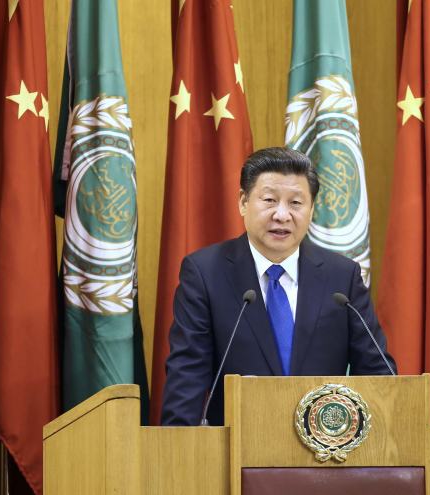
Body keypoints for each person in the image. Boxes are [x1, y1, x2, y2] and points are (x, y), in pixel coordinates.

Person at [161, 147, 396, 426]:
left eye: (296, 203)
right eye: (270, 200)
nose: (282, 215)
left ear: (311, 209)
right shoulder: (205, 273)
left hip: (326, 444)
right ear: (243, 202)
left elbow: (377, 373)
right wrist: (179, 445)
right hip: (236, 443)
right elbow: (187, 374)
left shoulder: (341, 277)